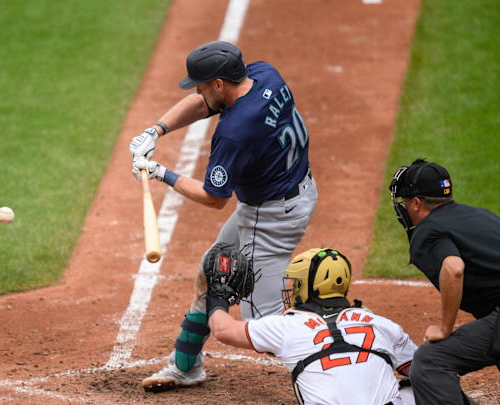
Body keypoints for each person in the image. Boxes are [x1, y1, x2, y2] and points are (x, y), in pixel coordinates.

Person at [129, 40, 318, 391]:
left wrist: (159, 172)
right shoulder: (263, 74)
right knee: (210, 268)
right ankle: (186, 366)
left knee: (264, 325)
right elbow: (205, 103)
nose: (198, 91)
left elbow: (214, 198)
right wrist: (156, 130)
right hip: (287, 194)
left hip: (272, 217)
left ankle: (340, 355)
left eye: (202, 84)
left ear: (219, 83)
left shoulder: (235, 133)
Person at [205, 246, 417, 405]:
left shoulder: (286, 328)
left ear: (307, 287)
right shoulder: (382, 324)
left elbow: (222, 330)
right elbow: (423, 370)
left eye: (295, 283)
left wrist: (218, 294)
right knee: (414, 386)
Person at [389, 158, 500, 404]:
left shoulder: (428, 230)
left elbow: (454, 268)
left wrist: (445, 328)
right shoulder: (480, 215)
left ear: (416, 202)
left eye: (404, 201)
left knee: (429, 361)